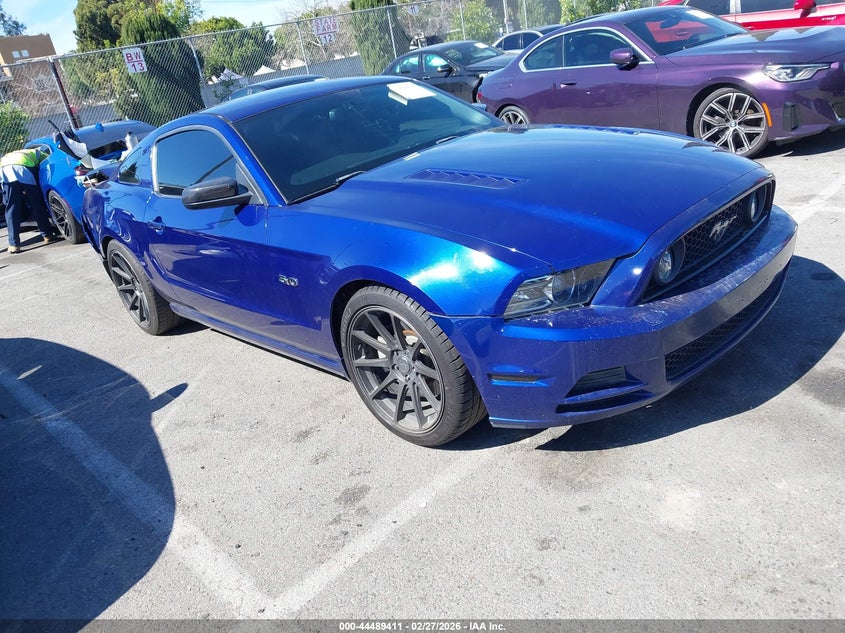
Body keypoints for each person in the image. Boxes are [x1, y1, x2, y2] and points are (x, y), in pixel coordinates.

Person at [1, 147, 59, 254]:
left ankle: (13, 244)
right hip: (25, 169)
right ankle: (47, 235)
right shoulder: (38, 153)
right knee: (36, 204)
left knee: (12, 208)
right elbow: (46, 166)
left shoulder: (9, 155)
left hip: (6, 171)